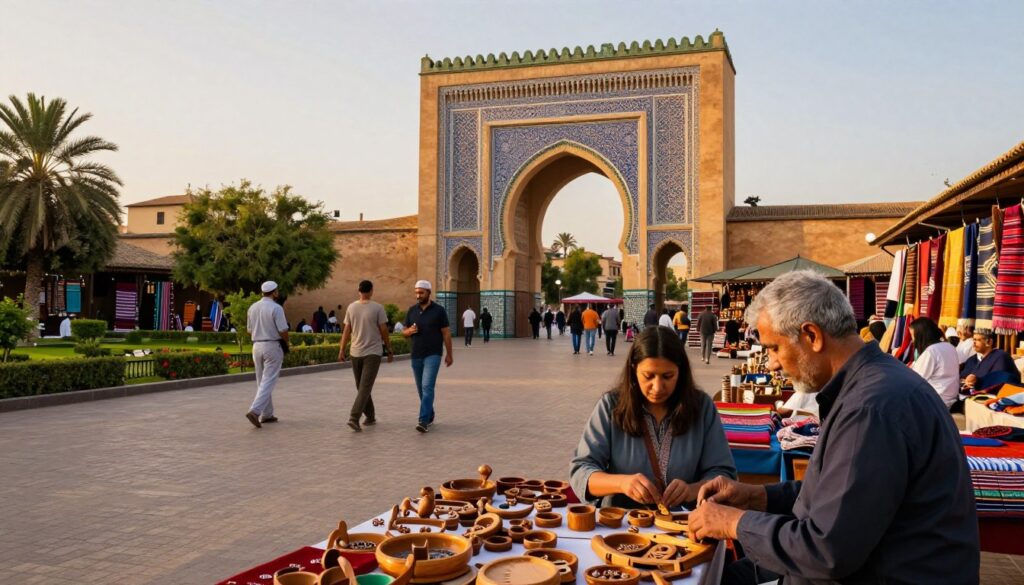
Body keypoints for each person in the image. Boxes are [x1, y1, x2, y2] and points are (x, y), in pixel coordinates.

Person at [688, 271, 978, 585]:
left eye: (773, 348)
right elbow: (839, 496)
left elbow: (826, 551)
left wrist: (735, 523)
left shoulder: (871, 407)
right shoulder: (871, 386)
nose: (771, 363)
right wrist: (756, 497)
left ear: (811, 336)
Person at [570, 326, 737, 509]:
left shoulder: (702, 407)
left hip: (686, 527)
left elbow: (724, 474)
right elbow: (581, 471)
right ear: (634, 369)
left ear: (680, 372)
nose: (657, 387)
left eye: (667, 376)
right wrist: (622, 483)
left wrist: (692, 490)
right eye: (648, 376)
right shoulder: (611, 406)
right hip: (621, 528)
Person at [339, 280, 394, 432]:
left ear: (359, 290)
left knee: (363, 386)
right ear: (371, 291)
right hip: (364, 352)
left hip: (366, 353)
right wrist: (389, 349)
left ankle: (354, 417)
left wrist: (342, 349)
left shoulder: (353, 306)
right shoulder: (377, 307)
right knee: (362, 387)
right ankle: (370, 416)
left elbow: (346, 330)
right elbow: (384, 330)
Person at [401, 280, 453, 433]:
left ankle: (423, 420)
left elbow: (446, 333)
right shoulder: (412, 311)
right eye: (416, 292)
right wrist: (409, 331)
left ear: (429, 293)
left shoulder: (439, 311)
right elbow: (404, 332)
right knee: (421, 389)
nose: (418, 295)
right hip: (416, 354)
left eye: (421, 292)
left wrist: (449, 354)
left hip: (433, 354)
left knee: (427, 386)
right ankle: (429, 413)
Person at [245, 281, 290, 428]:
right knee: (268, 380)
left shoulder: (252, 308)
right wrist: (286, 344)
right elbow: (283, 330)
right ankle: (255, 411)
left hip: (256, 345)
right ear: (275, 292)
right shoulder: (276, 308)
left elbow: (249, 330)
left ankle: (267, 414)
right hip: (272, 345)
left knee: (261, 380)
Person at [909, 317, 960, 409]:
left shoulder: (931, 351)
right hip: (950, 398)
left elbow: (915, 380)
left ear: (920, 335)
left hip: (936, 400)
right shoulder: (949, 346)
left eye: (912, 336)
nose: (912, 340)